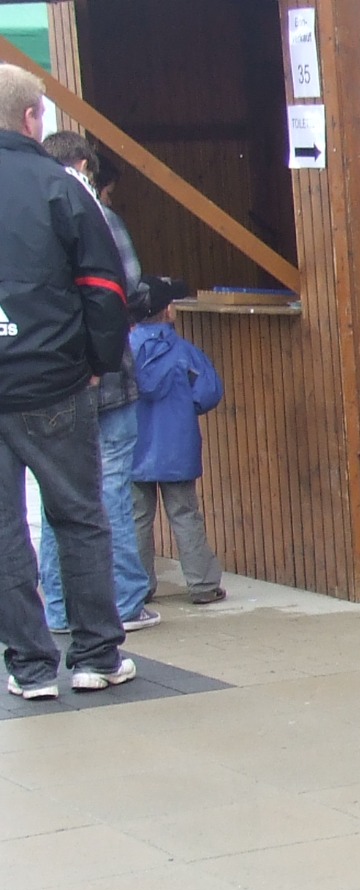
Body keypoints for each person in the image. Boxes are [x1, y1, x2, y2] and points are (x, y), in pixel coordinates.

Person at [0, 64, 134, 700]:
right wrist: (98, 362)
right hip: (54, 381)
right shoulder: (62, 188)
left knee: (3, 532)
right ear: (33, 119)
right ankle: (95, 656)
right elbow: (105, 286)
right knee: (78, 518)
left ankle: (29, 668)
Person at [34, 130, 156, 634]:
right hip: (108, 376)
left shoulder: (29, 216)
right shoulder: (99, 217)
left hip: (54, 377)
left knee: (55, 495)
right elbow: (128, 289)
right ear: (84, 165)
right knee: (111, 491)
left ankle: (59, 607)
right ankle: (124, 600)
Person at [126, 276, 225, 605]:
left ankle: (139, 588)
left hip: (132, 449)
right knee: (185, 515)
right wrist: (183, 408)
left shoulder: (123, 353)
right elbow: (209, 393)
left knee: (137, 519)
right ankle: (203, 585)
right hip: (177, 448)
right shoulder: (185, 353)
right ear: (169, 311)